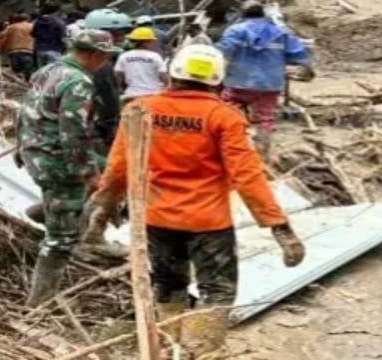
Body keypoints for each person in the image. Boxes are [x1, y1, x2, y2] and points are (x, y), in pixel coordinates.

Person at [85, 45, 306, 356]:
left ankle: (170, 346)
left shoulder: (140, 109)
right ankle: (197, 352)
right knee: (217, 290)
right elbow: (247, 175)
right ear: (218, 80)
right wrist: (279, 226)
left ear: (172, 74)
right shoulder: (223, 117)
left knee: (168, 284)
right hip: (209, 224)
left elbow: (119, 167)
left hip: (158, 219)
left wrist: (102, 210)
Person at [15, 28, 118, 307]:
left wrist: (19, 147)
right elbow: (73, 133)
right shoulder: (78, 82)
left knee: (115, 171)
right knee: (61, 240)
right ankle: (41, 303)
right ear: (96, 54)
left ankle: (48, 211)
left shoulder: (47, 71)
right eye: (106, 56)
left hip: (36, 153)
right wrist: (88, 173)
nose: (106, 62)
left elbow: (23, 112)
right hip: (57, 162)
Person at [214, 0, 313, 152]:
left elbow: (222, 50)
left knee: (229, 113)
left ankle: (233, 149)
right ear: (263, 14)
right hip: (270, 84)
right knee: (265, 119)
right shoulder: (280, 32)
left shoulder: (235, 30)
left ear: (242, 14)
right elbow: (299, 54)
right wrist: (306, 68)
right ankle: (263, 154)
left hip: (239, 82)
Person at [83, 8, 133, 153]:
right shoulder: (101, 66)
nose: (121, 38)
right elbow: (109, 107)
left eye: (122, 33)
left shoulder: (74, 60)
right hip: (94, 133)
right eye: (116, 34)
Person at [114, 26, 167, 100]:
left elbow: (117, 75)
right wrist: (168, 86)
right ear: (145, 42)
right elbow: (163, 75)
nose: (152, 43)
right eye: (151, 41)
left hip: (131, 95)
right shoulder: (155, 56)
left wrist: (118, 89)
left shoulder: (124, 56)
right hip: (152, 95)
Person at [0, 12, 36, 79]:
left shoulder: (11, 27)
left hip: (14, 52)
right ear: (27, 19)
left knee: (17, 72)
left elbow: (0, 35)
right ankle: (27, 82)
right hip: (28, 51)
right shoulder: (32, 26)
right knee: (28, 72)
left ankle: (19, 81)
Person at [32, 2, 68, 67]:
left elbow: (33, 35)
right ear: (57, 12)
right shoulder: (59, 22)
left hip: (40, 51)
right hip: (54, 50)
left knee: (42, 71)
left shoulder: (37, 22)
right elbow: (63, 39)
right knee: (56, 71)